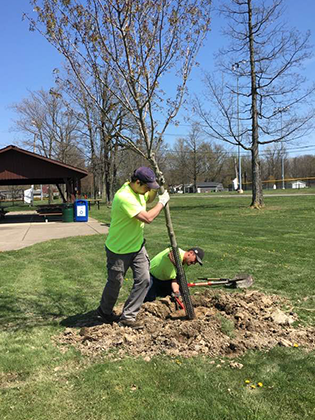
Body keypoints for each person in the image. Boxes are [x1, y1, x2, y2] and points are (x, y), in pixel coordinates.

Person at [97, 167, 170, 329]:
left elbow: (147, 198)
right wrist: (162, 202)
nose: (148, 190)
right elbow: (148, 217)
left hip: (137, 246)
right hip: (118, 249)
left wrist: (157, 189)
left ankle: (128, 316)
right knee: (115, 283)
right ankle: (104, 310)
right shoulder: (124, 197)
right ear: (137, 182)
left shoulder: (139, 191)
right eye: (147, 187)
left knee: (144, 279)